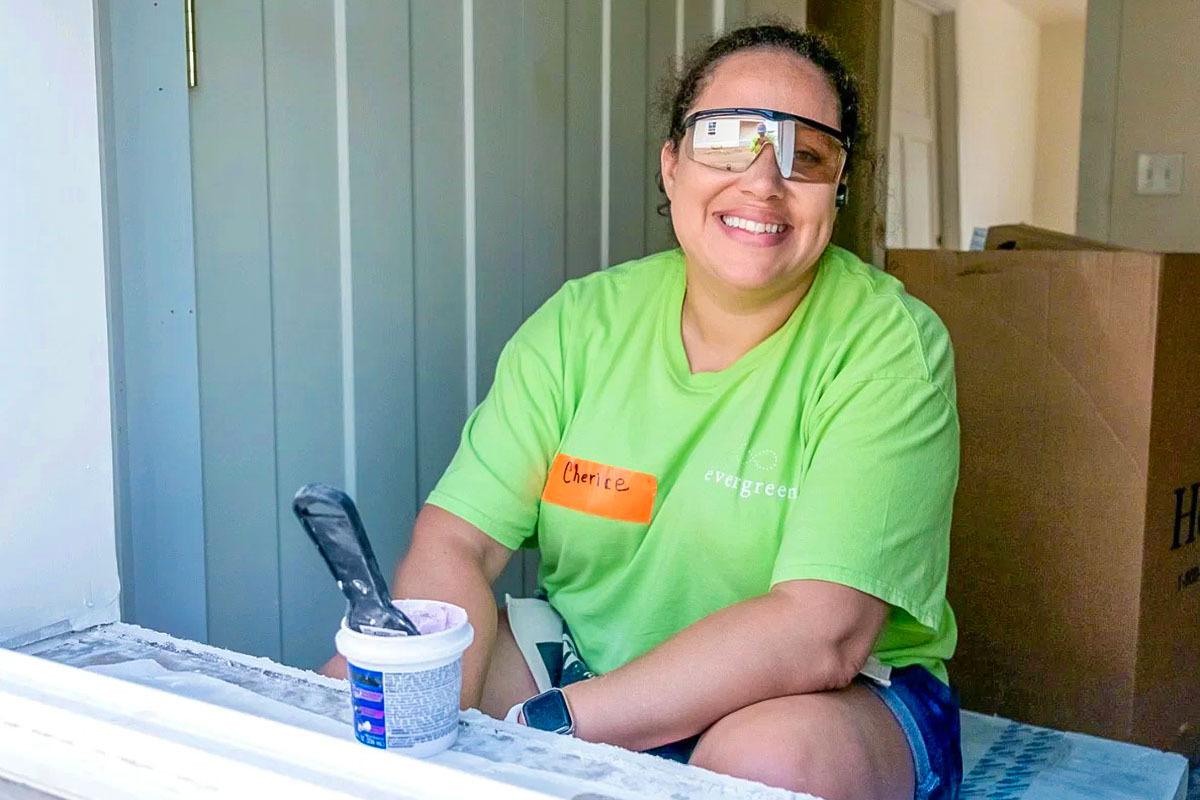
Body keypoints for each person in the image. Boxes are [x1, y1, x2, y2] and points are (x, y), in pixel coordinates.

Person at [322, 24, 962, 800]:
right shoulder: (581, 323)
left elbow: (821, 633)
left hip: (820, 700)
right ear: (671, 165)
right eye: (725, 140)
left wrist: (553, 727)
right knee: (366, 695)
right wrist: (424, 703)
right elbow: (459, 542)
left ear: (839, 188)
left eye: (809, 154)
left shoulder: (890, 346)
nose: (763, 182)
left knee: (763, 766)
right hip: (592, 664)